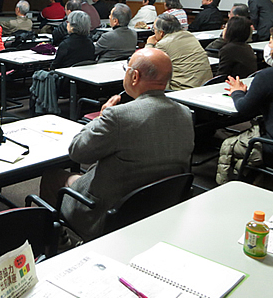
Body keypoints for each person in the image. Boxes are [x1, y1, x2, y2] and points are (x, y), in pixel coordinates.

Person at [40, 48, 194, 241]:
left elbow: (77, 152)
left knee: (52, 176)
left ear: (134, 76)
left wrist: (101, 117)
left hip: (108, 213)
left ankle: (58, 243)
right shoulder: (185, 113)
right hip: (158, 205)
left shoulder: (118, 117)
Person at [218, 26, 273, 186]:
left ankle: (230, 186)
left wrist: (237, 92)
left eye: (271, 42)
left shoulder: (268, 76)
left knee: (228, 144)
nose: (268, 47)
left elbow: (244, 109)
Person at [146, 13, 212, 90]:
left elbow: (146, 62)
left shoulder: (163, 44)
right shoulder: (190, 35)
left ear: (161, 33)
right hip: (204, 85)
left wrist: (149, 44)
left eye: (154, 29)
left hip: (182, 89)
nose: (153, 32)